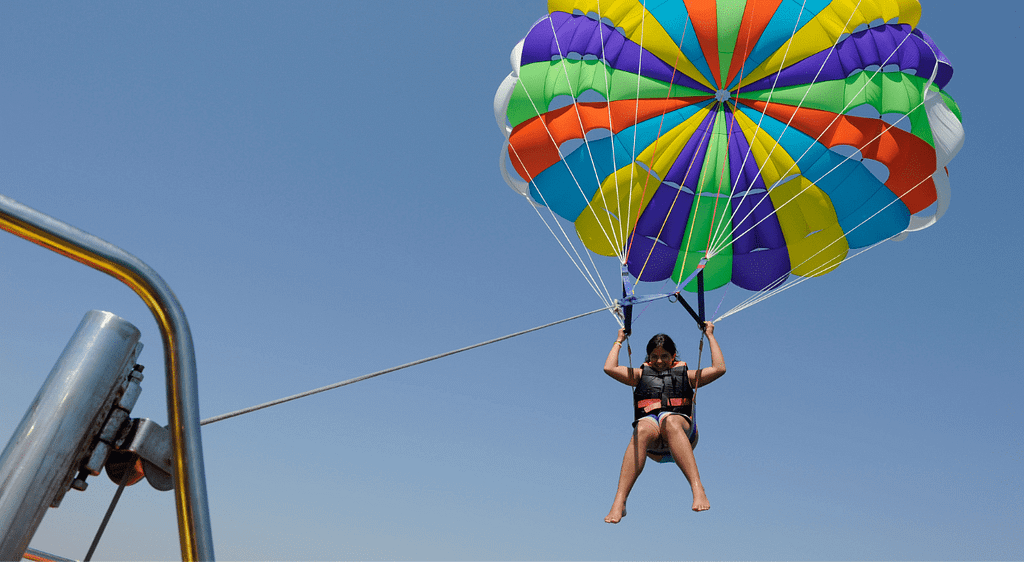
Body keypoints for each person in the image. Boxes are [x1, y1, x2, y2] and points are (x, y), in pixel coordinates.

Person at [603, 323, 725, 523]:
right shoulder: (641, 375)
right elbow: (609, 367)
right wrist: (619, 340)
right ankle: (620, 501)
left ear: (673, 355)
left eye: (664, 356)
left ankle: (697, 487)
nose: (659, 361)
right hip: (653, 445)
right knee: (641, 427)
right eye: (654, 357)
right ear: (648, 358)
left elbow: (719, 368)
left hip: (683, 433)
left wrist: (710, 335)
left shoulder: (686, 375)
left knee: (669, 420)